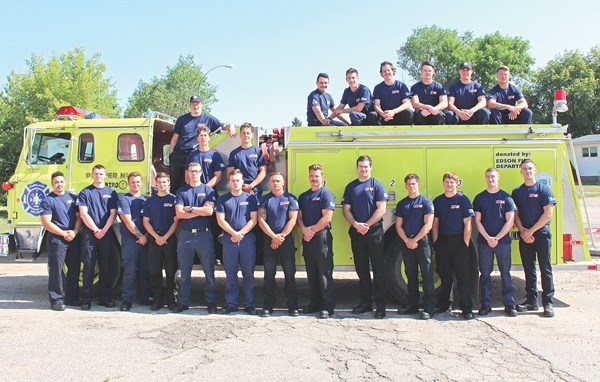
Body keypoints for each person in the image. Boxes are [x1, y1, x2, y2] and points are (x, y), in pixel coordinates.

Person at [342, 155, 388, 319]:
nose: (363, 169)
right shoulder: (351, 187)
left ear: (371, 168)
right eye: (360, 166)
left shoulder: (377, 185)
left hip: (374, 232)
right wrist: (356, 225)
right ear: (357, 168)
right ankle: (365, 303)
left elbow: (382, 208)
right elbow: (346, 209)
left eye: (366, 166)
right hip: (357, 232)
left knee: (378, 270)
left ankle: (381, 306)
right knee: (361, 269)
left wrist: (366, 225)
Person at [512, 159, 556, 317]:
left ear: (535, 170)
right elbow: (514, 214)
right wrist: (523, 230)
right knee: (529, 269)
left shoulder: (544, 189)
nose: (528, 171)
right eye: (524, 169)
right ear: (521, 171)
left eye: (530, 168)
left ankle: (548, 303)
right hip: (525, 234)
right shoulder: (517, 191)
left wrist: (530, 231)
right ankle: (532, 301)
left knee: (545, 269)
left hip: (541, 234)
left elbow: (548, 214)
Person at [173, 162, 218, 314]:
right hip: (185, 234)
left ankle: (211, 302)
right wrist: (200, 211)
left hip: (204, 235)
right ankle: (183, 302)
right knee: (185, 273)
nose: (194, 174)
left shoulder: (208, 190)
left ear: (200, 173)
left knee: (209, 271)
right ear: (187, 173)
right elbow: (179, 214)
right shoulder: (181, 191)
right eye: (191, 171)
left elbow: (209, 212)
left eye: (196, 171)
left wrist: (190, 209)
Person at [473, 168, 517, 317]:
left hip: (503, 242)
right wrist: (488, 238)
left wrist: (497, 238)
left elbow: (510, 221)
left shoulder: (506, 198)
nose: (490, 179)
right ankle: (485, 304)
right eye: (488, 177)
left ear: (498, 177)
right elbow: (477, 221)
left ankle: (509, 304)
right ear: (485, 179)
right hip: (485, 243)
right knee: (485, 273)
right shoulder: (479, 198)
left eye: (493, 176)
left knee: (505, 273)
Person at [169, 94, 235, 194]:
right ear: (190, 105)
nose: (195, 106)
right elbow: (174, 139)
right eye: (193, 104)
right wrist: (171, 155)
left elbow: (222, 126)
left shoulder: (208, 119)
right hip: (179, 154)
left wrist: (231, 125)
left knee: (193, 180)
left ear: (201, 104)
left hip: (196, 155)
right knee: (176, 184)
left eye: (197, 103)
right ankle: (176, 206)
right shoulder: (182, 119)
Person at [432, 172, 475, 320]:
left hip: (459, 242)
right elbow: (435, 223)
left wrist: (465, 243)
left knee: (463, 277)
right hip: (443, 242)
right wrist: (436, 241)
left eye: (452, 182)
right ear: (443, 183)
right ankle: (444, 304)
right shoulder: (438, 201)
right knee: (445, 276)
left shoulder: (463, 200)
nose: (449, 184)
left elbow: (468, 223)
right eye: (447, 182)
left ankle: (466, 308)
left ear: (457, 183)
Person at [215, 169, 258, 315]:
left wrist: (241, 233)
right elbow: (220, 220)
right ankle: (231, 303)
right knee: (231, 273)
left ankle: (249, 304)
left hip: (247, 239)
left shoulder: (251, 198)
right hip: (229, 240)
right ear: (229, 182)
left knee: (248, 273)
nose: (235, 183)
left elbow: (254, 219)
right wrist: (233, 233)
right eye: (232, 180)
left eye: (238, 180)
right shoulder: (222, 199)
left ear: (242, 181)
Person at [77, 164, 119, 310]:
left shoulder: (111, 193)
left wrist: (104, 230)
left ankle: (105, 298)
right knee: (89, 265)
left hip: (106, 233)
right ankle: (86, 299)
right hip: (90, 233)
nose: (99, 176)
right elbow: (83, 213)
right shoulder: (85, 192)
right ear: (92, 175)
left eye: (101, 174)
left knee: (106, 266)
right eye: (96, 174)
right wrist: (96, 229)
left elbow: (113, 213)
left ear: (105, 175)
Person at [297, 164, 336, 319]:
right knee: (311, 273)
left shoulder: (326, 194)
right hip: (308, 238)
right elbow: (299, 218)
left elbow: (327, 217)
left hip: (322, 238)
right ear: (309, 177)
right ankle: (315, 303)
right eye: (312, 176)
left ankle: (328, 306)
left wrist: (311, 231)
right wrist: (304, 230)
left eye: (317, 176)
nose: (314, 178)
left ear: (322, 177)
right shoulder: (303, 196)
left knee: (324, 273)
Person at [257, 172, 299, 317]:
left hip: (285, 241)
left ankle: (293, 307)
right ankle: (268, 306)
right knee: (269, 275)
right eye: (273, 181)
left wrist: (280, 237)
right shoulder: (264, 199)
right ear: (270, 183)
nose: (275, 183)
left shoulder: (291, 198)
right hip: (269, 240)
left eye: (278, 181)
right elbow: (261, 220)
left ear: (283, 182)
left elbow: (293, 219)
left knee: (290, 275)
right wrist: (273, 237)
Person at [395, 173, 435, 320]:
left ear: (418, 184)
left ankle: (429, 308)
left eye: (414, 183)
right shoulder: (402, 204)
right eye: (409, 184)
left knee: (427, 275)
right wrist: (407, 240)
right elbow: (398, 225)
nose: (411, 186)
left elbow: (428, 224)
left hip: (422, 242)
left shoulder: (426, 202)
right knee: (410, 275)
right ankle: (412, 305)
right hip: (407, 243)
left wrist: (415, 240)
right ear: (405, 186)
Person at [40, 171, 82, 311]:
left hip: (72, 236)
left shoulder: (72, 198)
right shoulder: (48, 200)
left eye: (61, 182)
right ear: (52, 184)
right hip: (57, 238)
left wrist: (74, 232)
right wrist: (63, 233)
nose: (59, 184)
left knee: (74, 268)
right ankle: (56, 300)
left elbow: (78, 217)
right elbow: (46, 223)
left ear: (65, 183)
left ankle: (72, 297)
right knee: (56, 270)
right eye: (56, 182)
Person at [143, 172, 179, 311]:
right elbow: (145, 221)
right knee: (154, 271)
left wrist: (165, 237)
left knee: (171, 271)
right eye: (159, 182)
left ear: (168, 184)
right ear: (156, 184)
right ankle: (158, 300)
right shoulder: (150, 201)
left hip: (169, 239)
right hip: (154, 240)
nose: (162, 185)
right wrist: (156, 237)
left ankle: (171, 299)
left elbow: (176, 222)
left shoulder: (174, 200)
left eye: (165, 182)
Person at [117, 172, 151, 311]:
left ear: (141, 183)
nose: (135, 184)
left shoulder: (147, 200)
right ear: (128, 183)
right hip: (131, 240)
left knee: (145, 269)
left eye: (137, 182)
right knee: (130, 270)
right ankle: (127, 300)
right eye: (132, 182)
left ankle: (144, 298)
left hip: (145, 239)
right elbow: (127, 220)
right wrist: (140, 236)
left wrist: (146, 237)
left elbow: (152, 221)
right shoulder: (124, 199)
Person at [366, 61, 413, 126]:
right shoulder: (378, 88)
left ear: (393, 71)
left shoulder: (401, 86)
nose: (387, 72)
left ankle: (405, 135)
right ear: (381, 73)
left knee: (408, 112)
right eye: (384, 71)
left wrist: (393, 111)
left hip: (398, 115)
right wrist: (383, 114)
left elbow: (407, 103)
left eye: (388, 70)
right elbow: (376, 105)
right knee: (372, 115)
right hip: (384, 117)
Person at [227, 122, 267, 197]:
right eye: (243, 133)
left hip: (255, 190)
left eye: (248, 133)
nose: (246, 135)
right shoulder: (234, 153)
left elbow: (263, 171)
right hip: (239, 190)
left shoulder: (258, 151)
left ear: (252, 135)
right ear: (240, 135)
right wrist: (240, 187)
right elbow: (229, 174)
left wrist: (251, 186)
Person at [411, 61, 448, 125]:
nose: (427, 72)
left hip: (435, 111)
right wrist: (428, 107)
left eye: (430, 71)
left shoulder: (439, 86)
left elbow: (444, 103)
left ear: (433, 72)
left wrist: (433, 109)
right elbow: (415, 104)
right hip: (421, 113)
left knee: (439, 115)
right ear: (421, 72)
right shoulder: (415, 87)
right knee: (418, 114)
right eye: (425, 70)